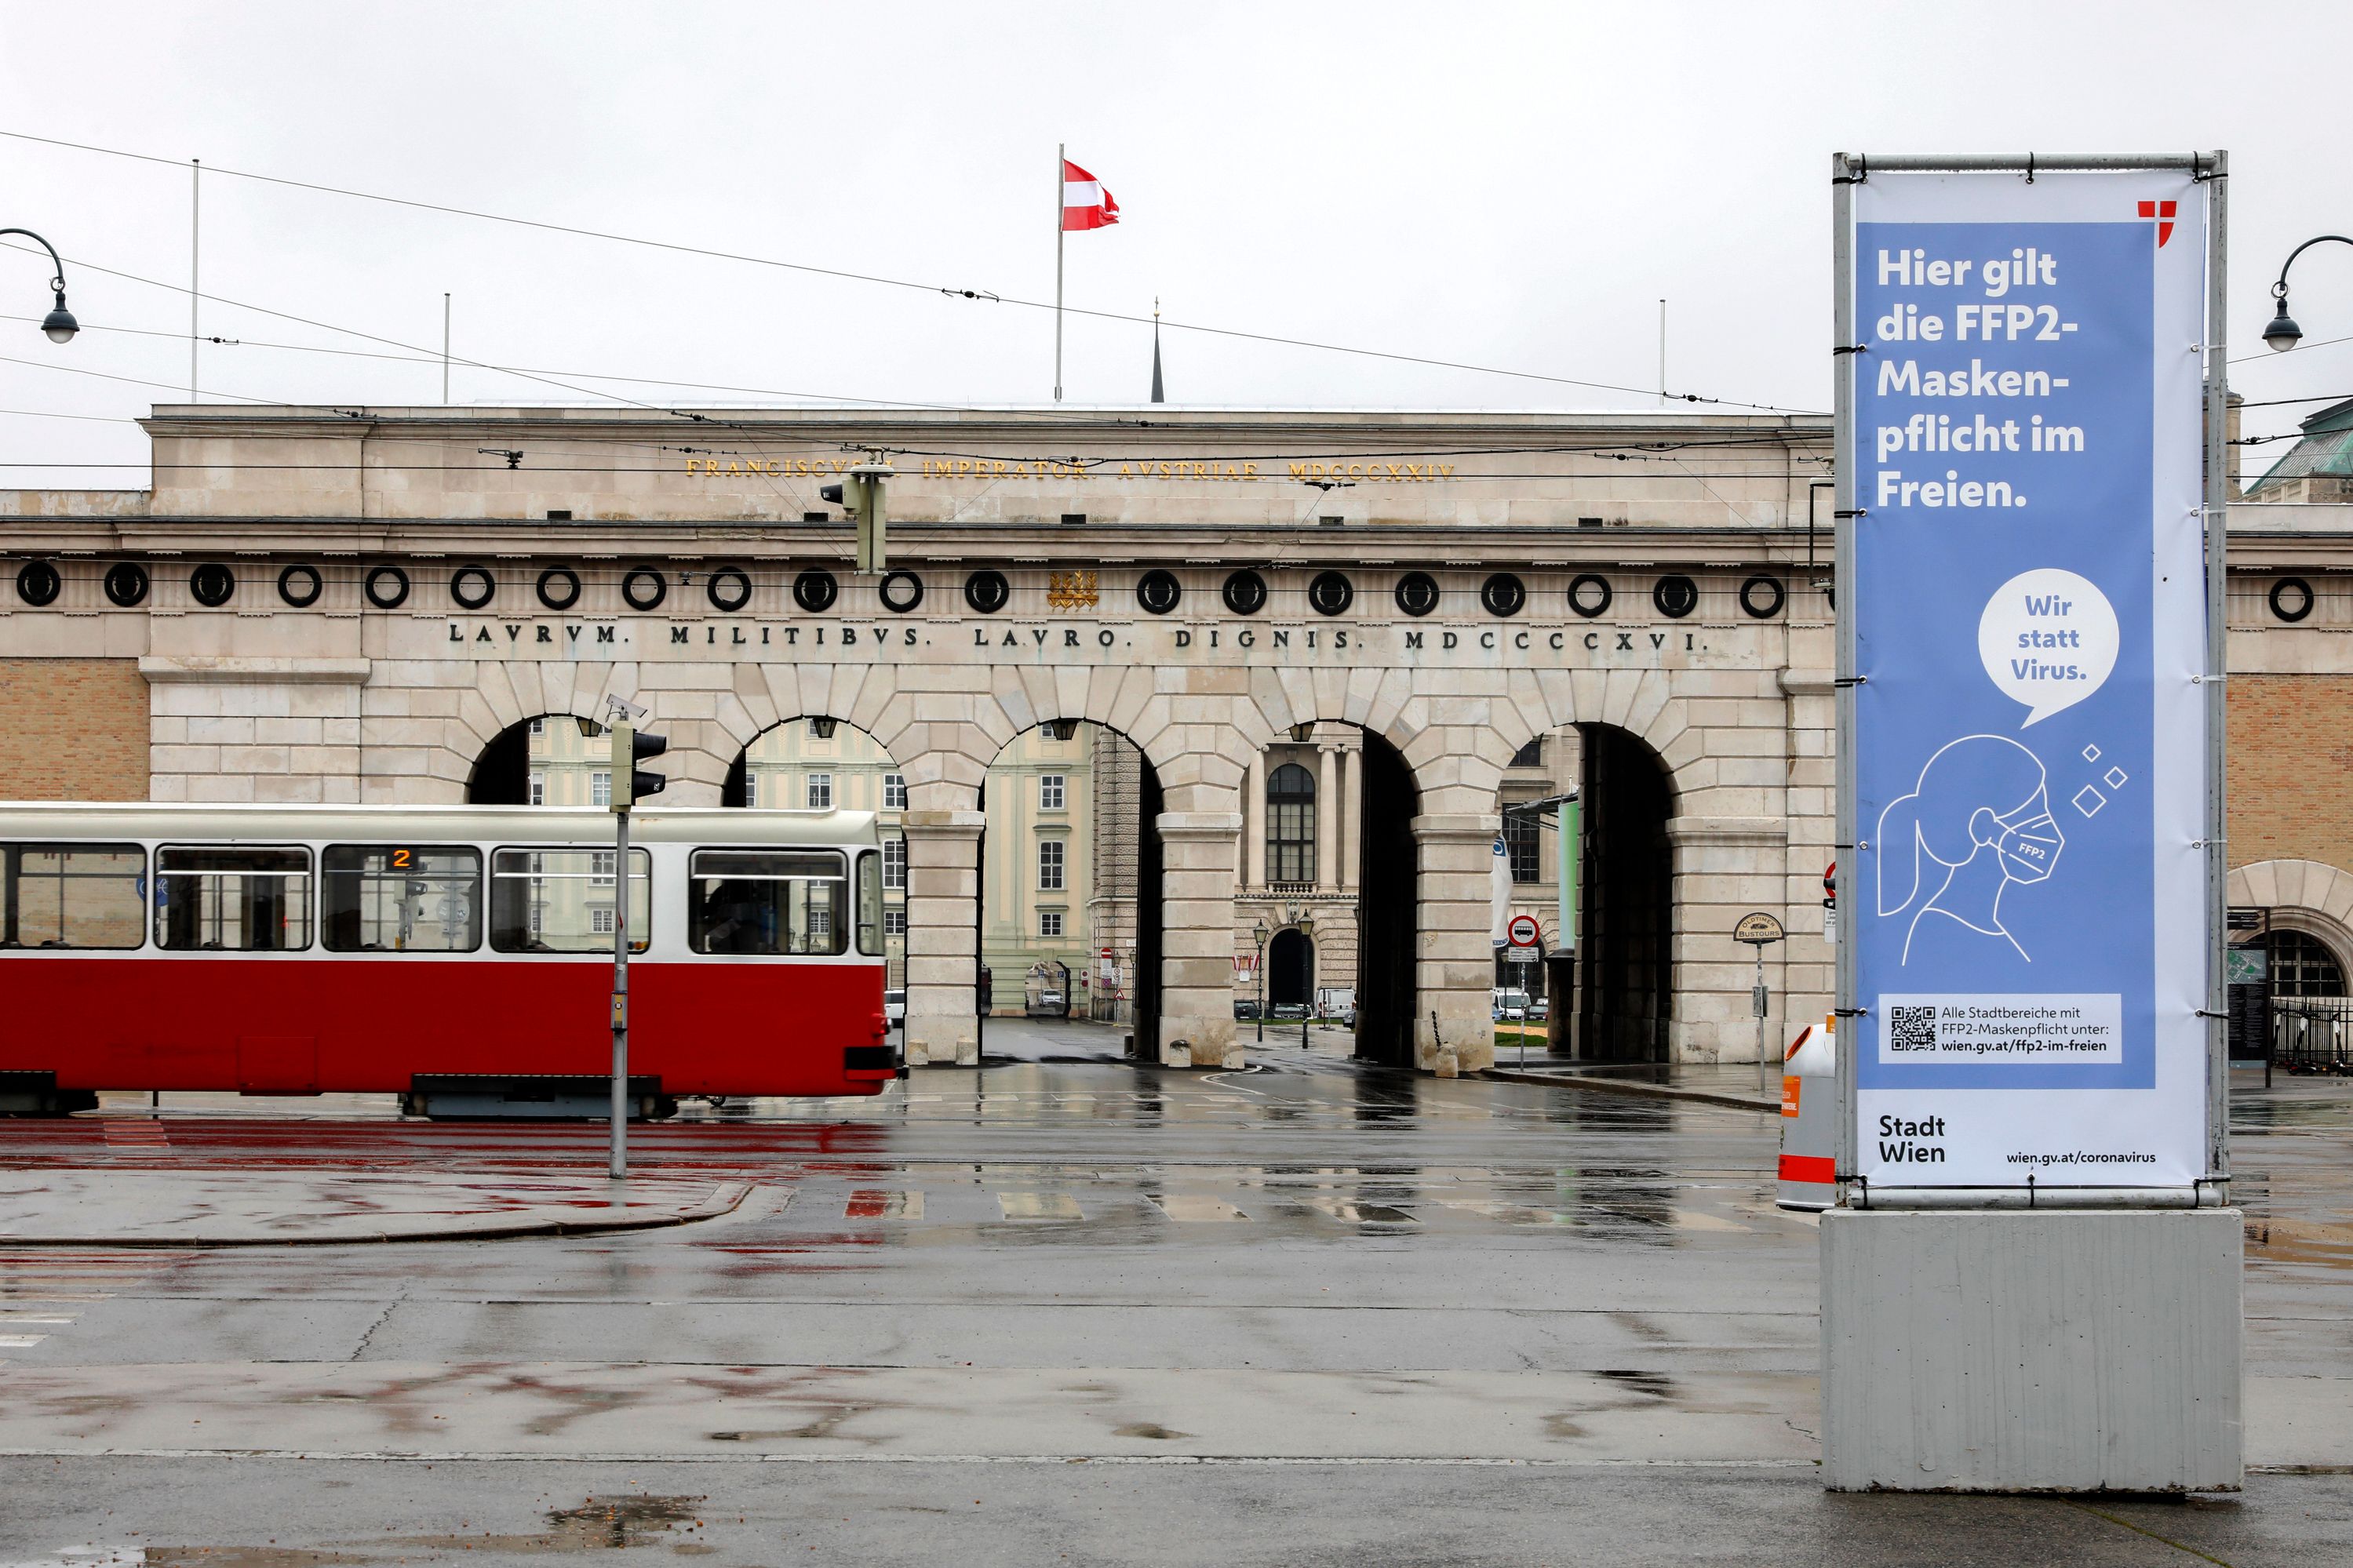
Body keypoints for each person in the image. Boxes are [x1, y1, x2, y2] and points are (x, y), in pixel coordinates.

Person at [1876, 734, 2063, 964]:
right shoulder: (1940, 932)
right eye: (2034, 814)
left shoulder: (1982, 926)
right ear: (1983, 828)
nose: (2048, 827)